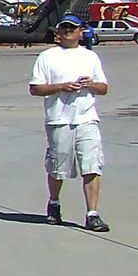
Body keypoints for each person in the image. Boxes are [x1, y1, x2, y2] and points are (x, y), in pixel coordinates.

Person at [30, 16, 110, 232]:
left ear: (80, 32)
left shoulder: (90, 57)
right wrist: (61, 87)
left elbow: (103, 88)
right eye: (64, 28)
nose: (68, 31)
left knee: (92, 165)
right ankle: (54, 204)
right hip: (59, 119)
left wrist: (91, 84)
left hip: (86, 117)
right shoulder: (47, 56)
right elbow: (35, 88)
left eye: (72, 28)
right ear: (59, 32)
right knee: (58, 168)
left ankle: (92, 214)